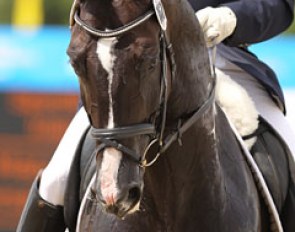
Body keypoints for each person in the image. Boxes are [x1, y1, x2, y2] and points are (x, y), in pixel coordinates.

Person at [17, 0, 295, 231]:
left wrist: (233, 19)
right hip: (134, 62)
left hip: (224, 53)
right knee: (56, 177)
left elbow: (282, 5)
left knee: (290, 151)